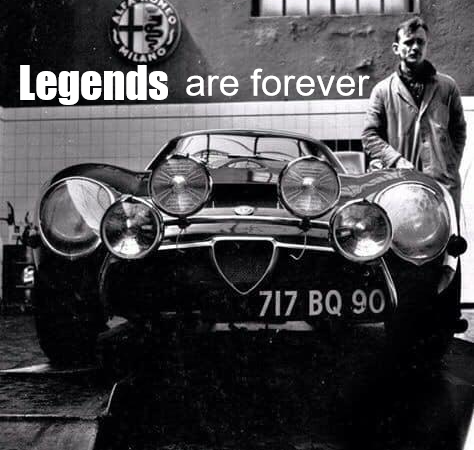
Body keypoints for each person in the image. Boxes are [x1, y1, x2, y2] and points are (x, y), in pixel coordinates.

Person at [361, 17, 466, 216]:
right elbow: (369, 136)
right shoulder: (382, 91)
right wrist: (396, 160)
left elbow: (459, 131)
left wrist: (449, 166)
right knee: (405, 234)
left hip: (443, 187)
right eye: (409, 42)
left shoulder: (447, 87)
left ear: (426, 46)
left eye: (420, 42)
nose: (415, 47)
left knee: (446, 234)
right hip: (402, 186)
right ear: (396, 48)